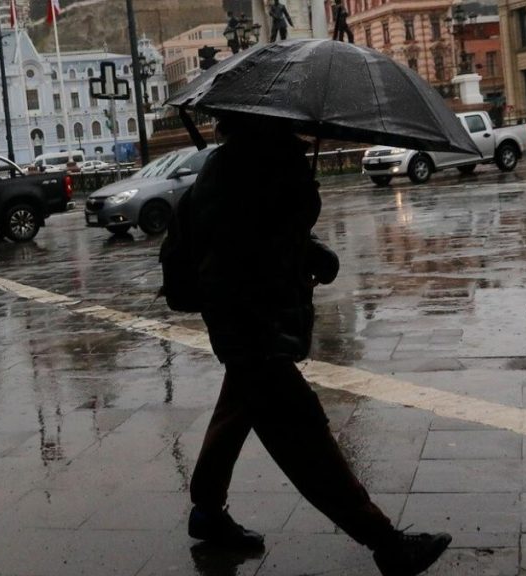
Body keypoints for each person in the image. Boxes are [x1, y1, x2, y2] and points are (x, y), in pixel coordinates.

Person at [184, 115, 451, 576]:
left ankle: (207, 511)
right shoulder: (266, 163)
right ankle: (386, 543)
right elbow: (261, 240)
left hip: (232, 317)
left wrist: (306, 244)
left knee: (237, 408)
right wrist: (305, 228)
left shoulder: (226, 164)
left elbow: (248, 233)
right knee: (301, 433)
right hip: (256, 323)